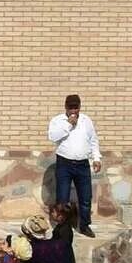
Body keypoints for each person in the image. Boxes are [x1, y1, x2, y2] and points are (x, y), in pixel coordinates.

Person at [46, 94, 100, 236]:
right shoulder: (58, 120)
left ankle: (84, 225)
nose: (73, 111)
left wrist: (96, 158)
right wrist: (69, 124)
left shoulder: (86, 120)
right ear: (65, 107)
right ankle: (62, 228)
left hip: (82, 164)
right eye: (70, 108)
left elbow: (93, 140)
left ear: (80, 107)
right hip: (64, 163)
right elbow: (53, 137)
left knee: (86, 197)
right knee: (62, 198)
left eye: (76, 107)